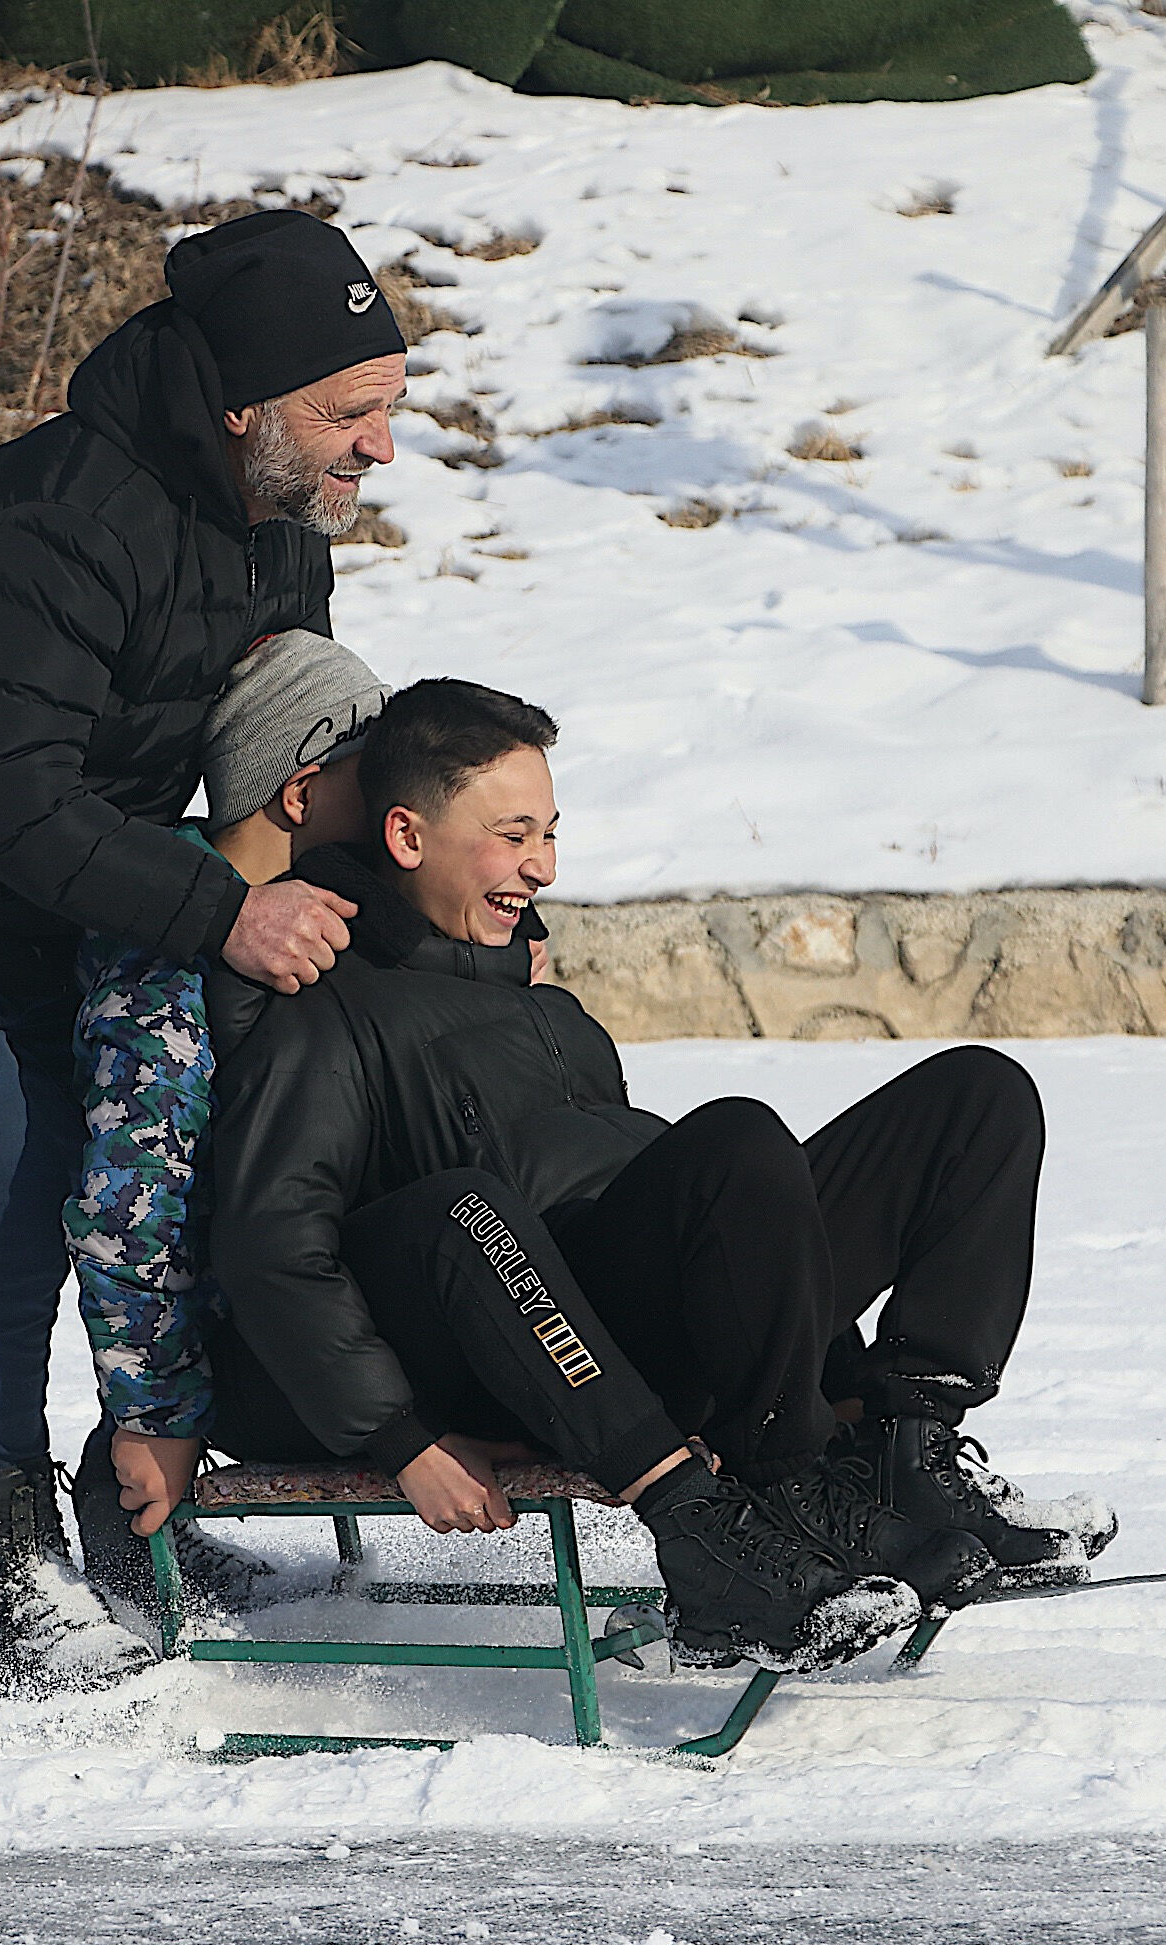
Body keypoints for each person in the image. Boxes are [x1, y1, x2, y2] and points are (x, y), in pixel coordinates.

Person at [0, 207, 406, 1698]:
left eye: (389, 408)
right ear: (242, 404)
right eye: (347, 412)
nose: (378, 447)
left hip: (81, 891)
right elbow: (9, 801)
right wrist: (223, 914)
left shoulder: (279, 521)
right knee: (20, 1203)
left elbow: (282, 755)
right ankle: (4, 1583)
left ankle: (134, 1530)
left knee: (200, 1154)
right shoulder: (56, 525)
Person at [203, 680, 1109, 1673]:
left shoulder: (542, 1001)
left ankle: (905, 1451)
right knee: (734, 1143)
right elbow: (272, 1243)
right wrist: (399, 1433)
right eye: (513, 836)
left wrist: (839, 1371)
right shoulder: (325, 1007)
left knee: (975, 1097)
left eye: (551, 833)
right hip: (531, 1351)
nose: (543, 866)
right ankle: (779, 1492)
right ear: (408, 836)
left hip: (656, 1314)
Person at [59, 630, 389, 1615]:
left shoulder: (323, 913)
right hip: (238, 1342)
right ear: (302, 793)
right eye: (375, 776)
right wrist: (155, 1418)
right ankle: (122, 1515)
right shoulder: (167, 971)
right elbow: (130, 1212)